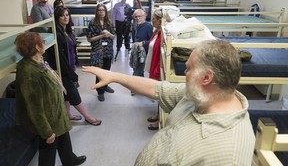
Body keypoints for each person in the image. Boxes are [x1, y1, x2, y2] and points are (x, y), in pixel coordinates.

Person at [82, 39, 255, 165]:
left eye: (188, 68)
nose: (184, 73)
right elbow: (157, 89)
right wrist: (115, 76)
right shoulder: (203, 96)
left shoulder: (227, 155)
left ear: (207, 78)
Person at [14, 32, 86, 166]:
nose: (44, 42)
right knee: (49, 147)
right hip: (47, 119)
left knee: (64, 136)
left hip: (55, 112)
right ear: (36, 46)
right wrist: (47, 132)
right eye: (41, 41)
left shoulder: (37, 61)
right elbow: (34, 108)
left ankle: (69, 159)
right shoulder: (29, 73)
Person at [47, 6, 102, 126]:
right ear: (57, 17)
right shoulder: (56, 34)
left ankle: (68, 115)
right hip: (62, 70)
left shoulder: (66, 31)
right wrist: (71, 74)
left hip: (69, 66)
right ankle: (87, 117)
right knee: (73, 93)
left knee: (66, 93)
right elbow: (60, 59)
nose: (65, 17)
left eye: (67, 15)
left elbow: (72, 50)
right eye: (62, 15)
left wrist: (74, 65)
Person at [86, 4, 115, 102]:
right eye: (99, 10)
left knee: (107, 71)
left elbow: (113, 37)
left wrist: (109, 34)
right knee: (99, 72)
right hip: (97, 51)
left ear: (106, 12)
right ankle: (100, 91)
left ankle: (105, 85)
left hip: (108, 51)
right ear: (96, 12)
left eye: (103, 10)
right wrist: (101, 35)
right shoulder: (92, 23)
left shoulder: (109, 23)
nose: (101, 12)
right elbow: (89, 39)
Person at [144, 9, 163, 130]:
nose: (152, 21)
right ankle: (158, 115)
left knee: (160, 94)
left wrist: (156, 70)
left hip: (157, 67)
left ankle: (160, 120)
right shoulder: (156, 31)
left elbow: (161, 56)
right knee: (158, 94)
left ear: (160, 20)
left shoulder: (163, 34)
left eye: (154, 19)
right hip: (152, 64)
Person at [131, 9, 153, 78]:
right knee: (138, 72)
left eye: (139, 16)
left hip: (143, 53)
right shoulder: (136, 26)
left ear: (144, 16)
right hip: (136, 52)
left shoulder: (148, 26)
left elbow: (152, 41)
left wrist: (144, 43)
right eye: (136, 17)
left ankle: (134, 87)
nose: (137, 18)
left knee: (136, 74)